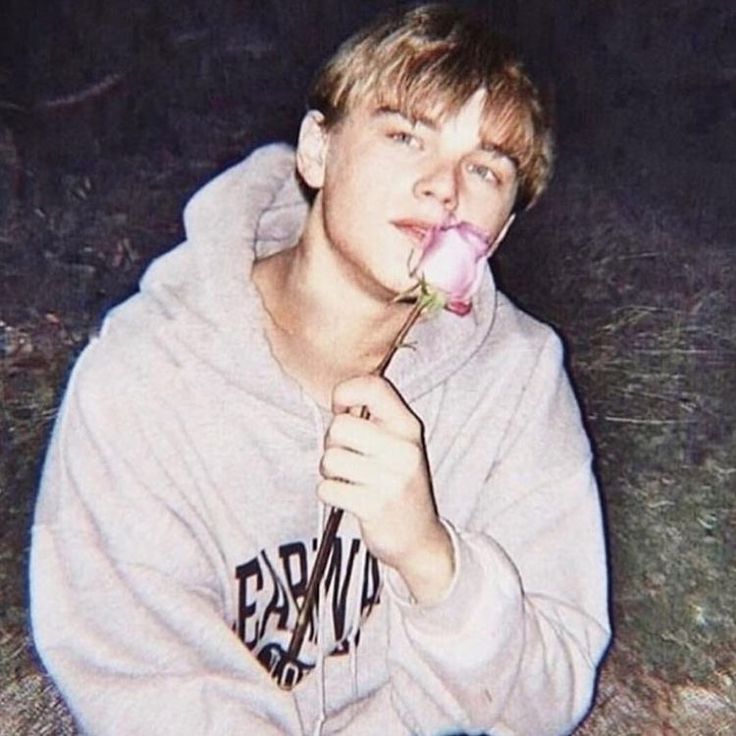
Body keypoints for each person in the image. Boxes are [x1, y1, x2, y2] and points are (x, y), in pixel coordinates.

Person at [30, 4, 610, 735]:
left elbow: (549, 694)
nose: (445, 187)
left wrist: (434, 561)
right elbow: (146, 680)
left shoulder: (518, 378)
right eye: (406, 136)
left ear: (500, 230)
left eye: (486, 167)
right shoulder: (144, 374)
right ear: (317, 150)